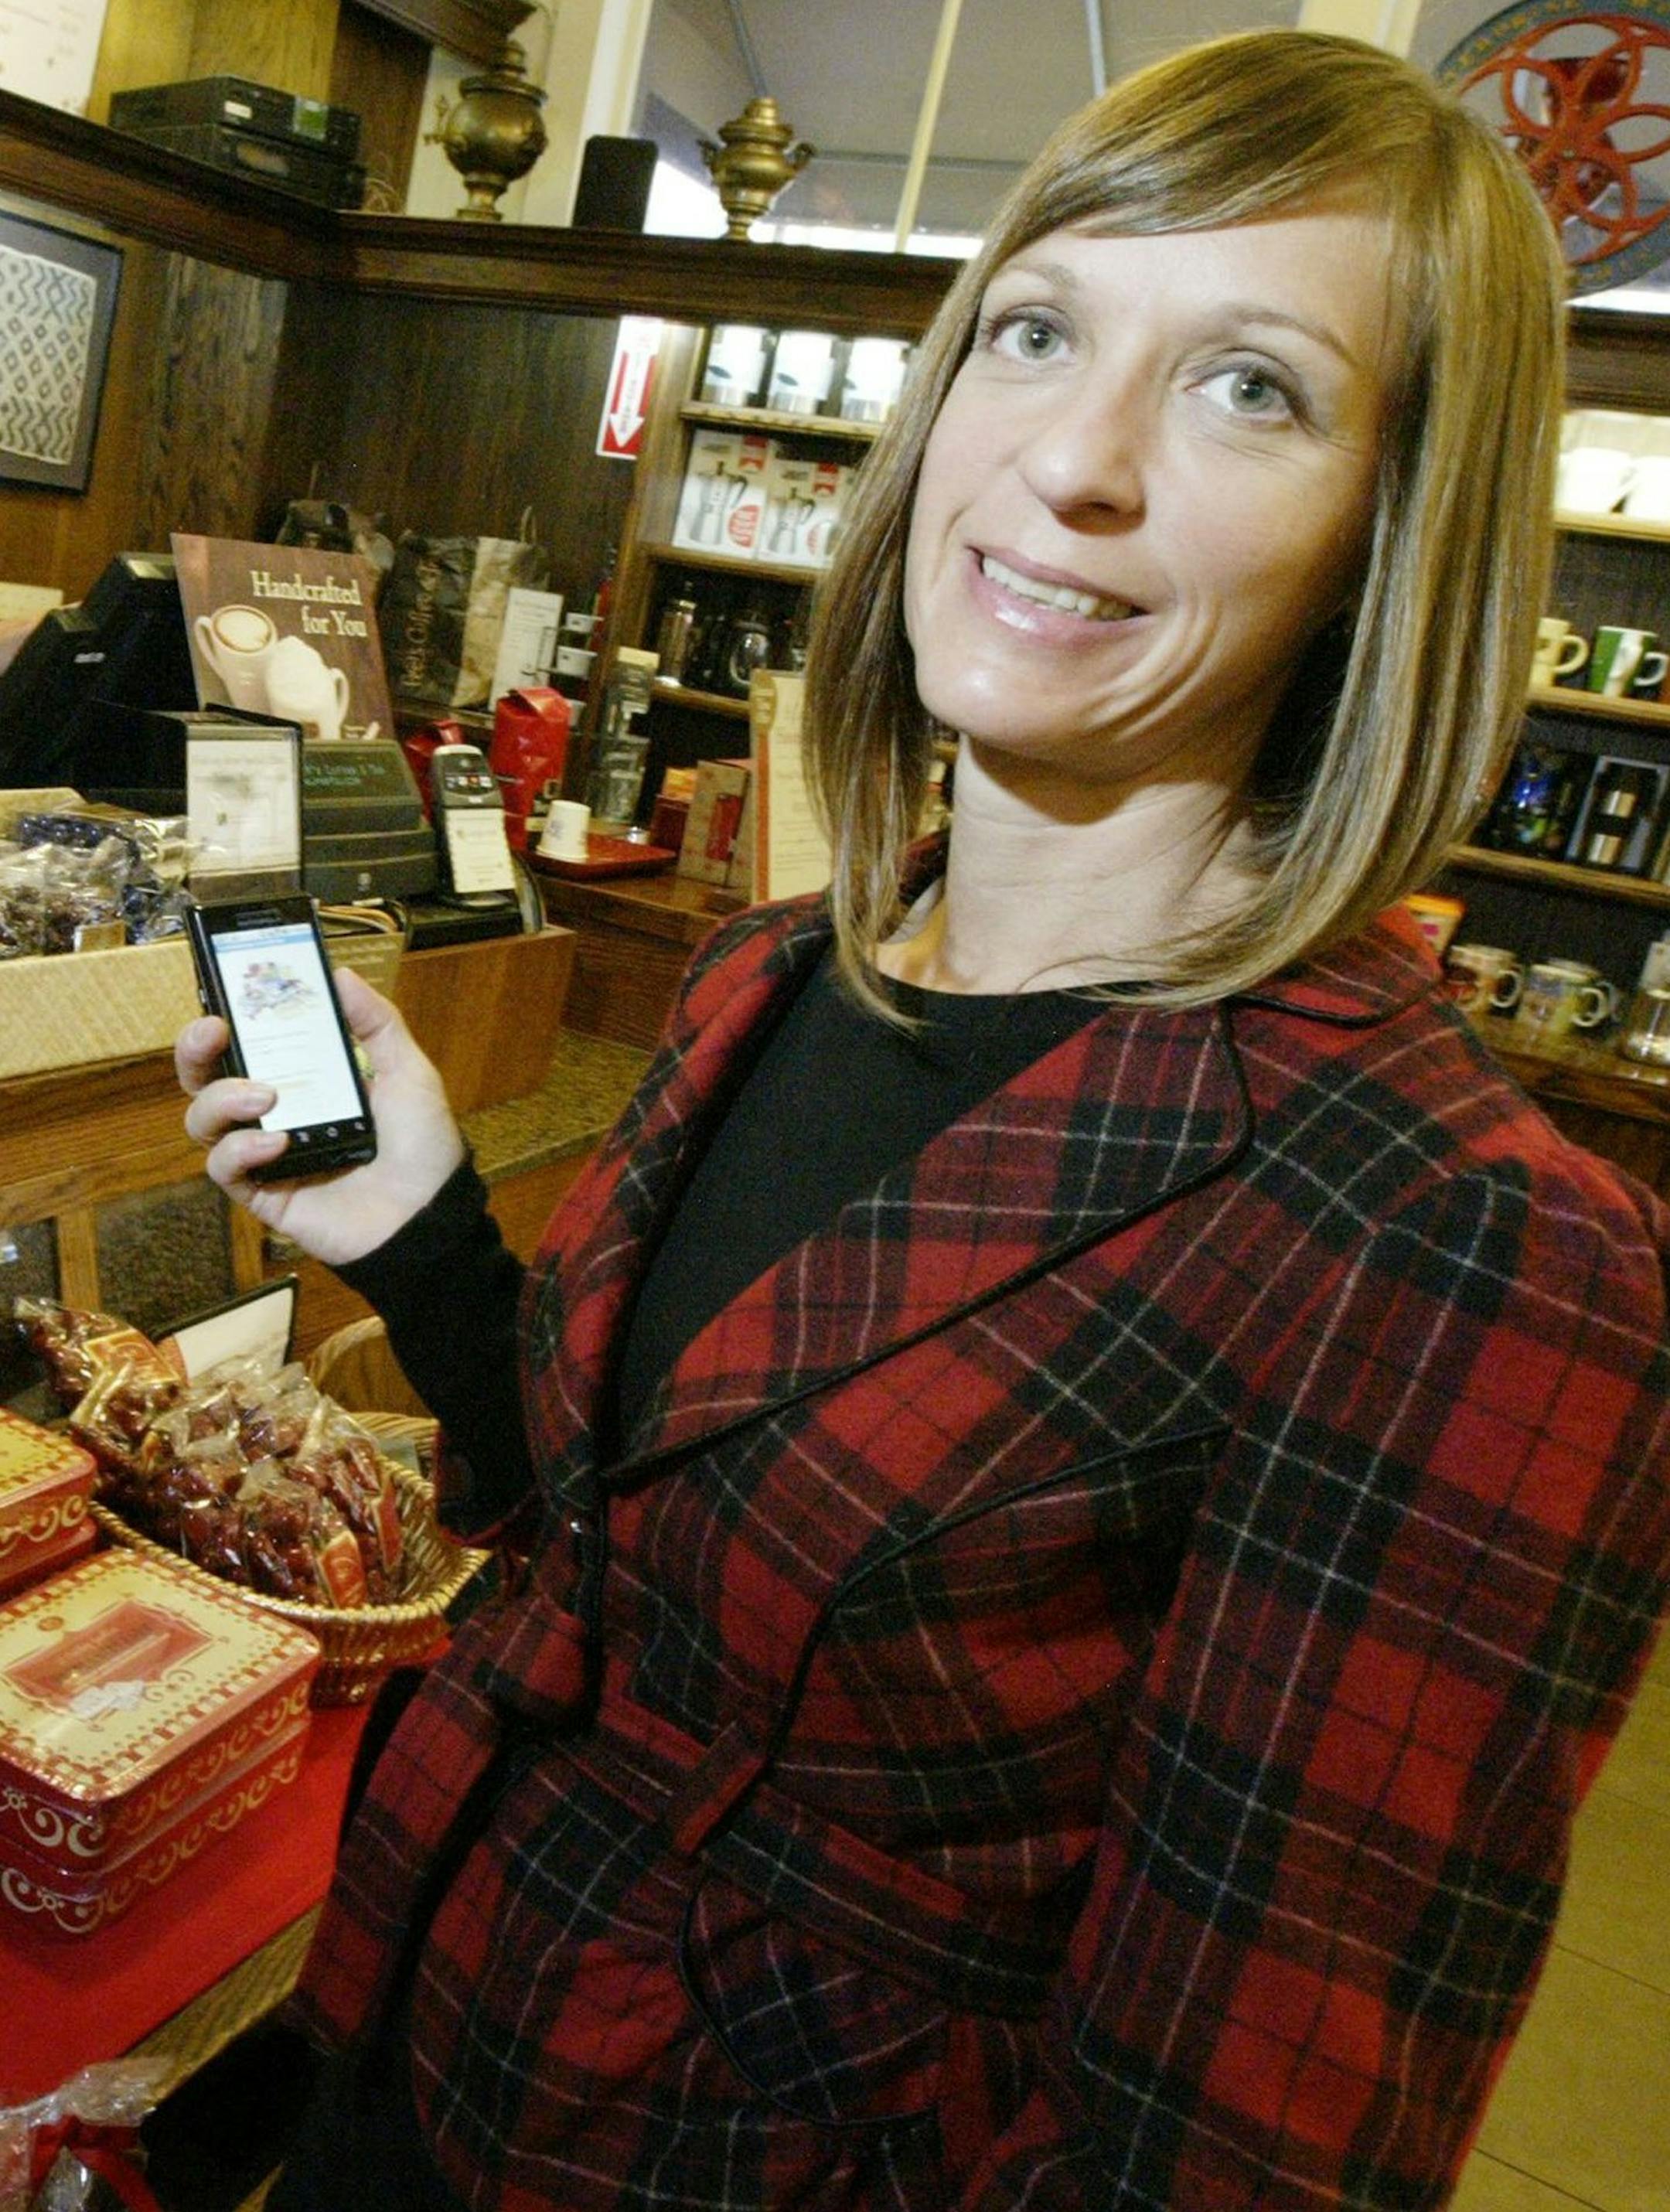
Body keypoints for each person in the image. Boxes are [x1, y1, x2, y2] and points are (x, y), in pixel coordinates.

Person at [177, 30, 1670, 2210]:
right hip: (406, 2060)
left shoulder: (1454, 1238)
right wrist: (420, 1240)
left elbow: (1225, 2149)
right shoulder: (773, 972)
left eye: (1250, 386)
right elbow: (613, 1573)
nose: (1076, 457)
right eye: (1041, 330)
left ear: (1391, 536)